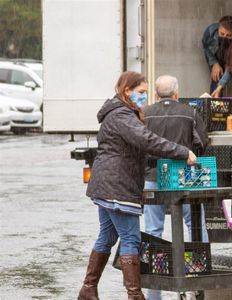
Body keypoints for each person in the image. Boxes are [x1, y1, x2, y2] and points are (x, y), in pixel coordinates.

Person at [78, 71, 197, 300]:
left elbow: (134, 150)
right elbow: (147, 140)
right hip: (117, 186)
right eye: (141, 93)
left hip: (107, 183)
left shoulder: (118, 113)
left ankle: (88, 289)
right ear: (127, 91)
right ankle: (134, 295)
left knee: (107, 236)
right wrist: (182, 152)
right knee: (130, 239)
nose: (144, 97)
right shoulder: (122, 115)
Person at [143, 75, 209, 300]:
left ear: (156, 94)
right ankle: (196, 273)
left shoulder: (145, 113)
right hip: (184, 177)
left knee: (153, 230)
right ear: (176, 94)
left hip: (153, 175)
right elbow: (202, 142)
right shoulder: (189, 113)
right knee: (195, 225)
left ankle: (155, 281)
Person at [202, 15, 232, 97]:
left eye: (229, 35)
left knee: (229, 75)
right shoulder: (210, 31)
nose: (224, 37)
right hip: (216, 56)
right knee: (216, 75)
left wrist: (220, 86)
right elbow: (206, 47)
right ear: (218, 28)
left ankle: (218, 93)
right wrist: (214, 63)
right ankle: (214, 100)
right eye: (222, 34)